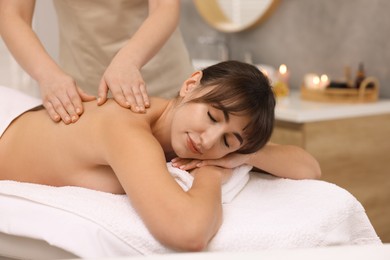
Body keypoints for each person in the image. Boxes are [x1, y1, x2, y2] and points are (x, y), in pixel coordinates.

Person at [0, 61, 321, 251]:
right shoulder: (127, 129)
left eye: (228, 140)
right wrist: (211, 173)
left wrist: (243, 155)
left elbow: (310, 168)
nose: (207, 141)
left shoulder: (185, 136)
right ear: (191, 84)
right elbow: (187, 232)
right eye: (211, 117)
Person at [0, 0, 193, 124]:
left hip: (162, 80)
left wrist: (129, 60)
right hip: (83, 94)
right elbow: (11, 14)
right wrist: (48, 75)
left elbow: (165, 7)